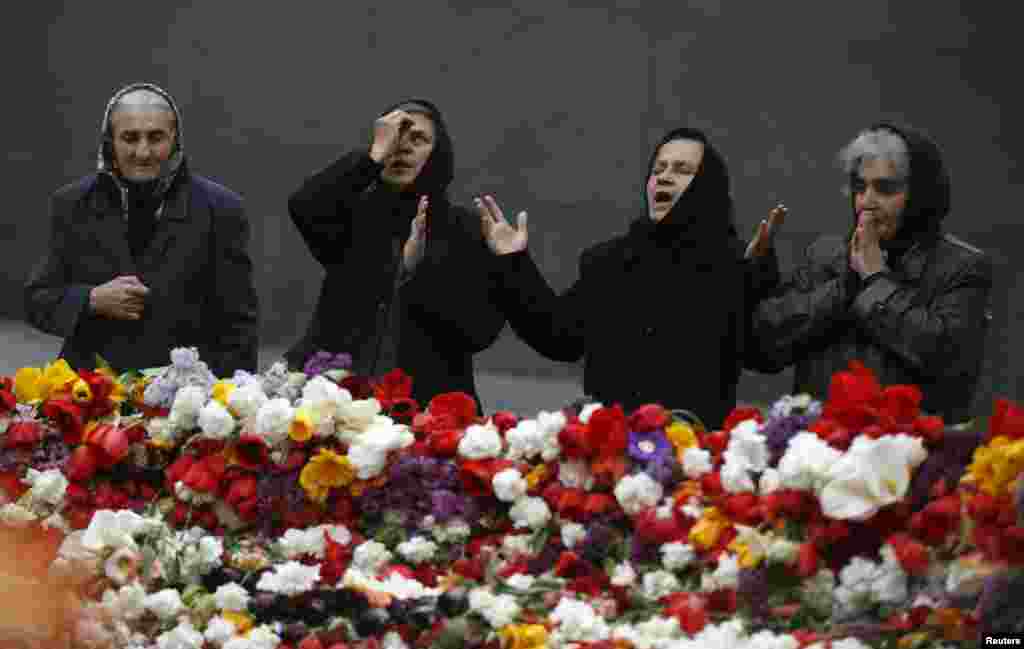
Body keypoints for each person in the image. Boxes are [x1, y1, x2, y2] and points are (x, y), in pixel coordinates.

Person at [477, 127, 784, 429]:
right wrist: (513, 262)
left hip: (694, 458)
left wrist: (758, 272)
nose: (664, 176)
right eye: (658, 168)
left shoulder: (732, 263)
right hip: (610, 454)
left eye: (682, 170)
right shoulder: (608, 262)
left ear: (707, 185)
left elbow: (764, 354)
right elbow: (559, 337)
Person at [752, 123, 993, 424]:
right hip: (819, 454)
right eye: (860, 187)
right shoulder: (825, 255)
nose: (867, 201)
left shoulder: (962, 266)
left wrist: (876, 279)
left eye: (886, 188)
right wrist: (845, 287)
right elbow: (763, 347)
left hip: (913, 458)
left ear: (921, 194)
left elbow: (948, 360)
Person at [24, 82, 259, 378]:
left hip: (182, 401)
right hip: (89, 394)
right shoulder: (72, 204)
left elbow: (240, 327)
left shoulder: (221, 210)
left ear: (175, 139)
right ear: (111, 141)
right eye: (130, 138)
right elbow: (37, 300)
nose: (143, 151)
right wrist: (90, 300)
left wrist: (227, 405)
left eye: (156, 137)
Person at [284, 99, 505, 408]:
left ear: (437, 153)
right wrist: (372, 157)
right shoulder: (352, 216)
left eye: (418, 139)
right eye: (395, 137)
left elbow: (479, 332)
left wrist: (417, 273)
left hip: (431, 412)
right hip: (339, 407)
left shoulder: (467, 228)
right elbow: (304, 206)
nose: (403, 148)